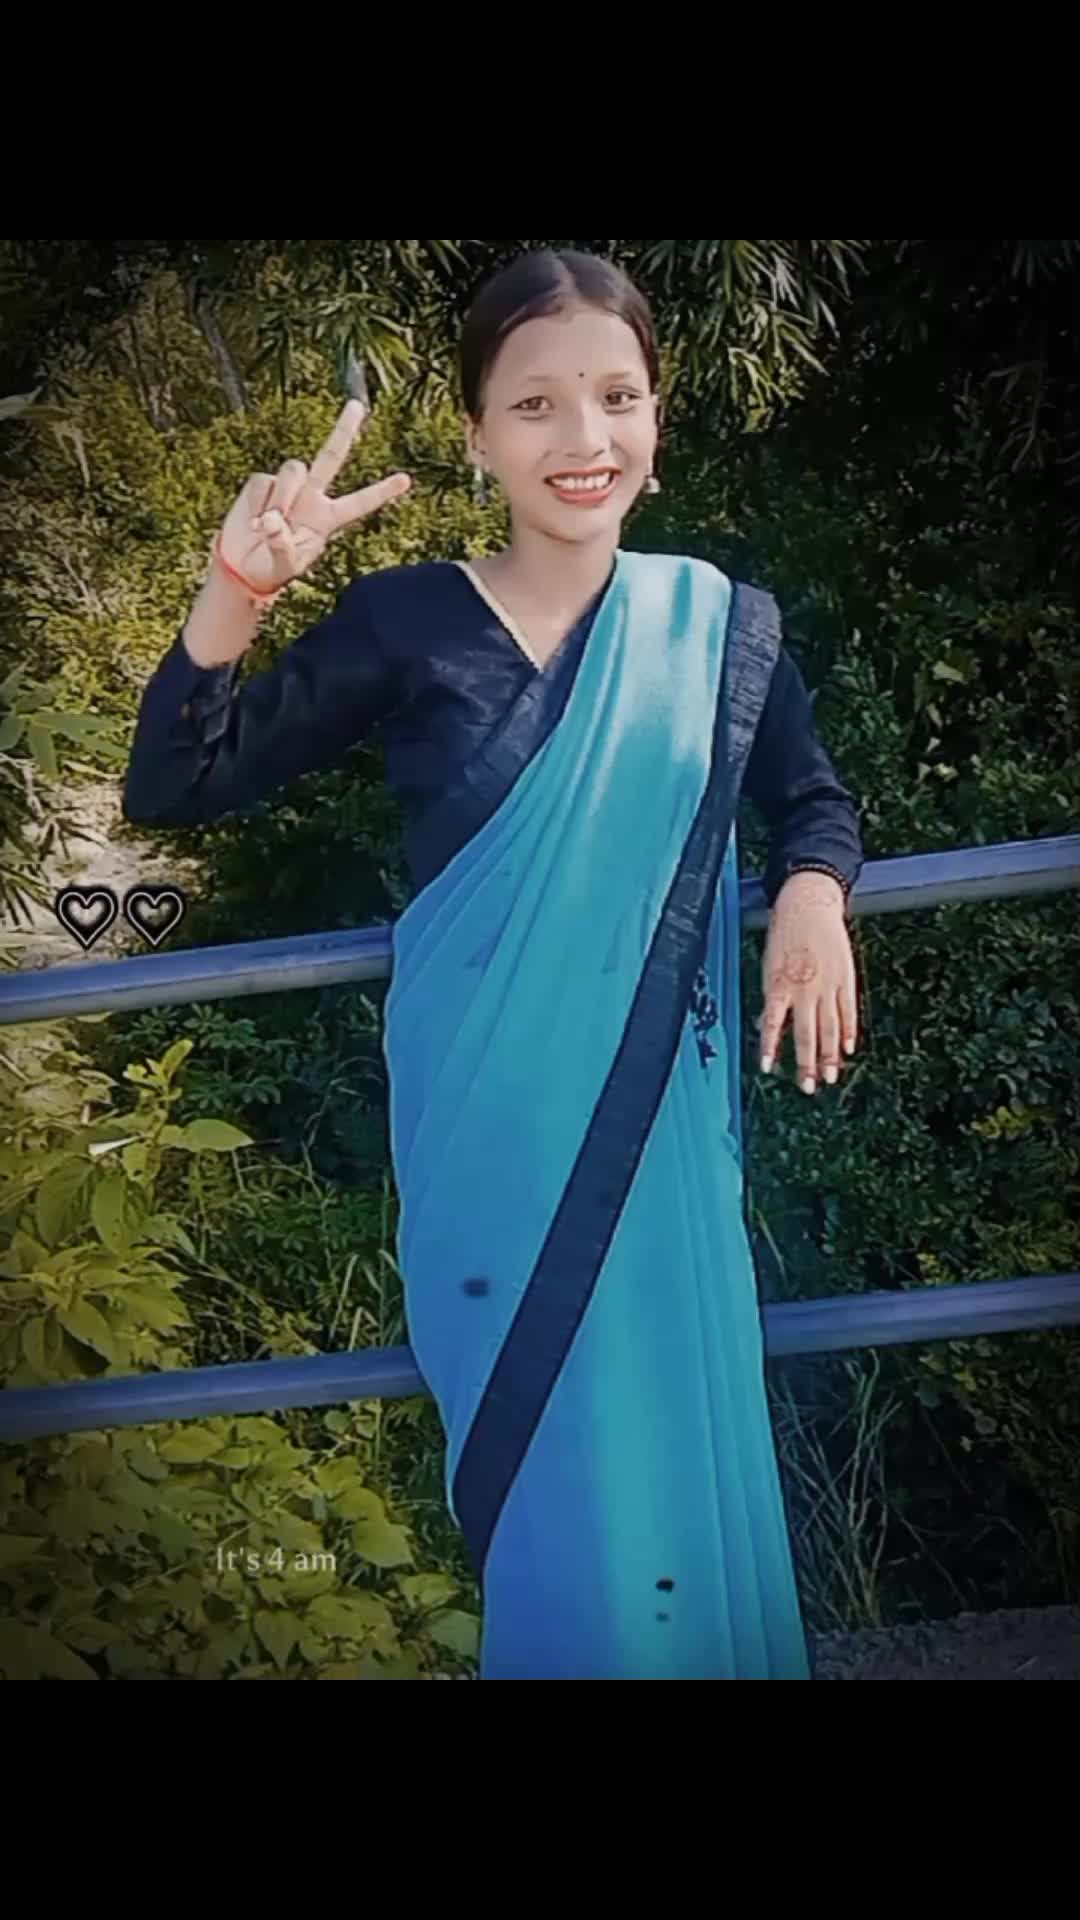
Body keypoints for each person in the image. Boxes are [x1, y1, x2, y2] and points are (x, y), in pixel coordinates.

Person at [124, 248, 864, 1680]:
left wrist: (813, 894)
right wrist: (235, 592)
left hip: (656, 1141)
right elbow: (176, 784)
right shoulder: (408, 621)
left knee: (665, 1476)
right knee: (552, 1514)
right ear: (475, 435)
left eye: (616, 396)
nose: (584, 438)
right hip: (489, 1138)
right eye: (535, 405)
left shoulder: (717, 624)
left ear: (656, 415)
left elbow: (811, 798)